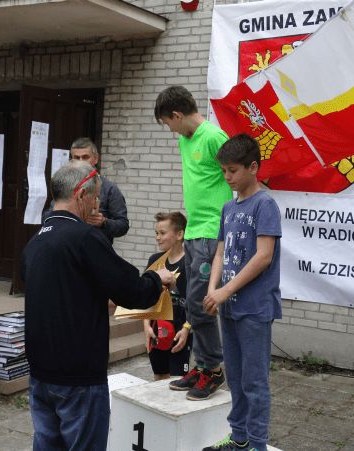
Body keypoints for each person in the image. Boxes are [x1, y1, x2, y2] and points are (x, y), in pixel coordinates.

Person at [21, 160, 175, 450]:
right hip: (78, 375)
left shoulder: (36, 241)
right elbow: (133, 292)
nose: (97, 206)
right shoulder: (85, 238)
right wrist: (157, 278)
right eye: (95, 198)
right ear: (81, 195)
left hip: (40, 372)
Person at [201, 134, 282, 451]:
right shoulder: (228, 207)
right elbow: (220, 252)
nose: (227, 177)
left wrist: (225, 291)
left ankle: (257, 444)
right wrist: (213, 289)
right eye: (223, 171)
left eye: (232, 170)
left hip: (255, 308)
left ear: (253, 167)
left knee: (254, 381)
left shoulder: (265, 205)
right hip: (230, 307)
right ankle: (239, 437)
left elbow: (264, 256)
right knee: (234, 377)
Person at [154, 85, 232, 401]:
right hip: (194, 230)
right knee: (191, 301)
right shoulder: (185, 140)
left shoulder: (214, 137)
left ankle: (212, 370)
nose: (170, 130)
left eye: (168, 123)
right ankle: (201, 366)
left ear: (177, 114)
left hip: (212, 231)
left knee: (201, 304)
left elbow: (238, 175)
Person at [142, 211, 192, 381]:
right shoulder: (154, 260)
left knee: (176, 381)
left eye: (162, 233)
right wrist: (147, 326)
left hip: (180, 332)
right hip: (157, 331)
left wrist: (186, 329)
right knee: (159, 377)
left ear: (180, 234)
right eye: (156, 233)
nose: (158, 237)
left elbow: (196, 301)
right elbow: (146, 298)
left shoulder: (190, 263)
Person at [68, 137, 129, 242]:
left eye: (85, 157)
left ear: (95, 159)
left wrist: (104, 222)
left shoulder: (110, 189)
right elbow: (48, 215)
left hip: (96, 248)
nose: (81, 162)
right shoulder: (65, 185)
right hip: (68, 247)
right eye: (77, 158)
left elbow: (123, 225)